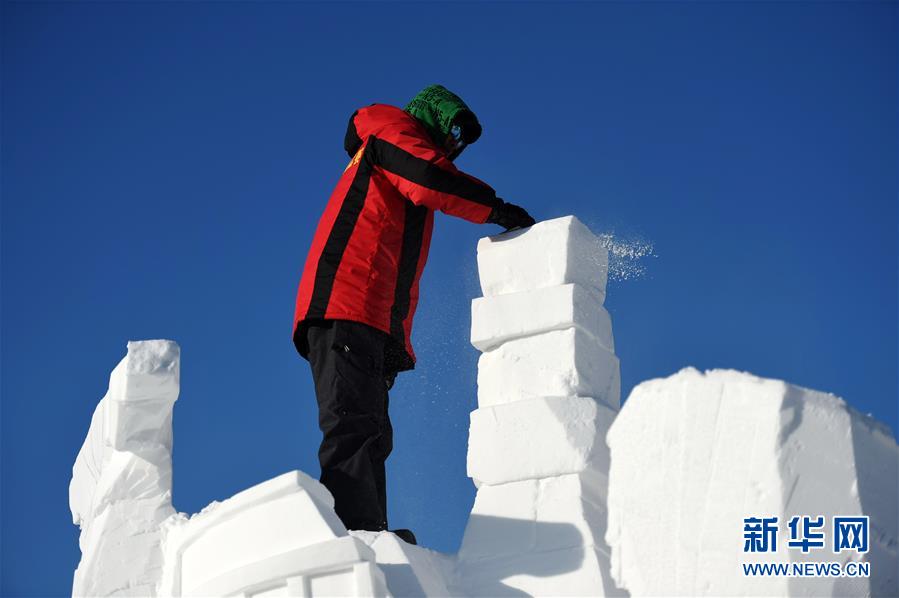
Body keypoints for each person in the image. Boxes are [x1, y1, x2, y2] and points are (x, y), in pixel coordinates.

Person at [292, 84, 535, 544]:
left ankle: (369, 531)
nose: (452, 151)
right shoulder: (390, 132)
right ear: (434, 119)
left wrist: (393, 348)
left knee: (372, 430)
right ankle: (354, 537)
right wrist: (496, 209)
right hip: (346, 304)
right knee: (352, 424)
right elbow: (430, 177)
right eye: (451, 137)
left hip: (365, 315)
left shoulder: (387, 152)